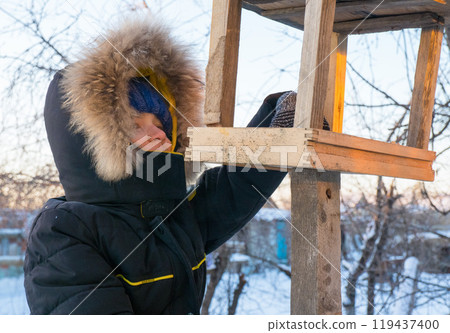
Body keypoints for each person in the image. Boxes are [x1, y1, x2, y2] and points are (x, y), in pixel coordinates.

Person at [23, 17, 293, 315]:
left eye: (161, 122)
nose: (159, 134)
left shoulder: (172, 213)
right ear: (91, 138)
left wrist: (280, 127)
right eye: (136, 124)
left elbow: (234, 190)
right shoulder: (64, 232)